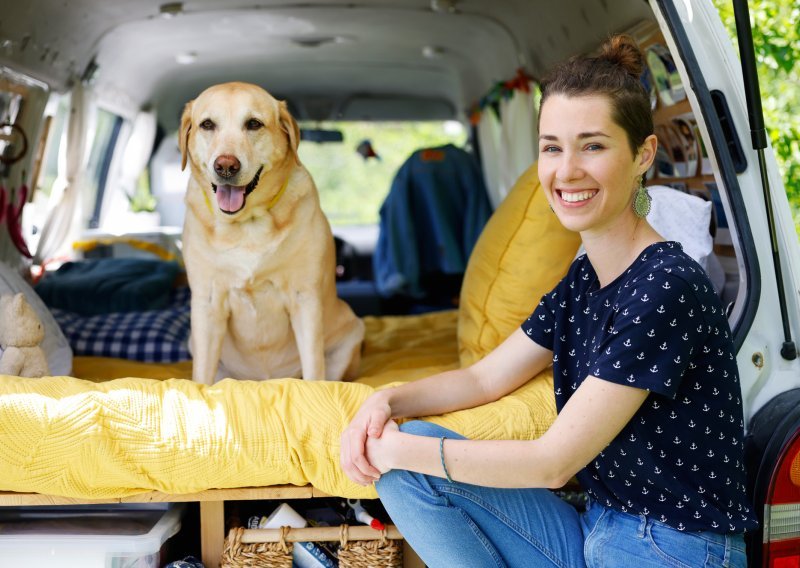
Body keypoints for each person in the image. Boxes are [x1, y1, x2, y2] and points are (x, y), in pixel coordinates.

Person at [339, 35, 758, 567]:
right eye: (552, 147)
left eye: (593, 145)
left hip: (671, 548)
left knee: (407, 455)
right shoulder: (585, 275)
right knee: (410, 464)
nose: (566, 171)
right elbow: (483, 380)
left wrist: (395, 448)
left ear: (643, 155)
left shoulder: (666, 285)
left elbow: (552, 463)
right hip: (596, 527)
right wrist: (386, 404)